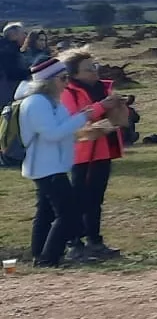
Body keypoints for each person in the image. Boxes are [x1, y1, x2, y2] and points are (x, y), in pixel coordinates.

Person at [18, 56, 117, 267]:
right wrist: (83, 116)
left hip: (54, 164)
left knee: (46, 212)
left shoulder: (52, 102)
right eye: (63, 78)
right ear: (49, 80)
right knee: (68, 213)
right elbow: (52, 134)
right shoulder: (36, 103)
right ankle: (49, 258)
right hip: (46, 166)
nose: (66, 82)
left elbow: (63, 130)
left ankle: (40, 255)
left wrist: (88, 129)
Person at [62, 49, 132, 258]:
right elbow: (75, 119)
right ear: (74, 74)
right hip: (83, 153)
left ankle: (94, 240)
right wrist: (102, 107)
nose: (95, 71)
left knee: (95, 199)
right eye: (88, 69)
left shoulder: (103, 88)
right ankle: (74, 243)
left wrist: (119, 107)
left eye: (95, 66)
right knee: (79, 198)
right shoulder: (69, 92)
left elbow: (115, 119)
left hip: (103, 150)